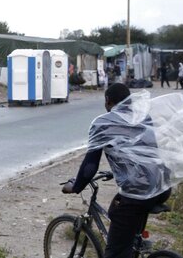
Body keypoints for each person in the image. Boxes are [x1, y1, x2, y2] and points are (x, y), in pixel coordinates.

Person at [62, 83, 171, 258]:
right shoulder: (144, 117)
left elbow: (90, 167)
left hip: (138, 194)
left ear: (107, 101)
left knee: (114, 250)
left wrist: (76, 187)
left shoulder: (103, 123)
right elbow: (145, 155)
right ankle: (133, 246)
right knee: (116, 212)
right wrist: (119, 172)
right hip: (162, 186)